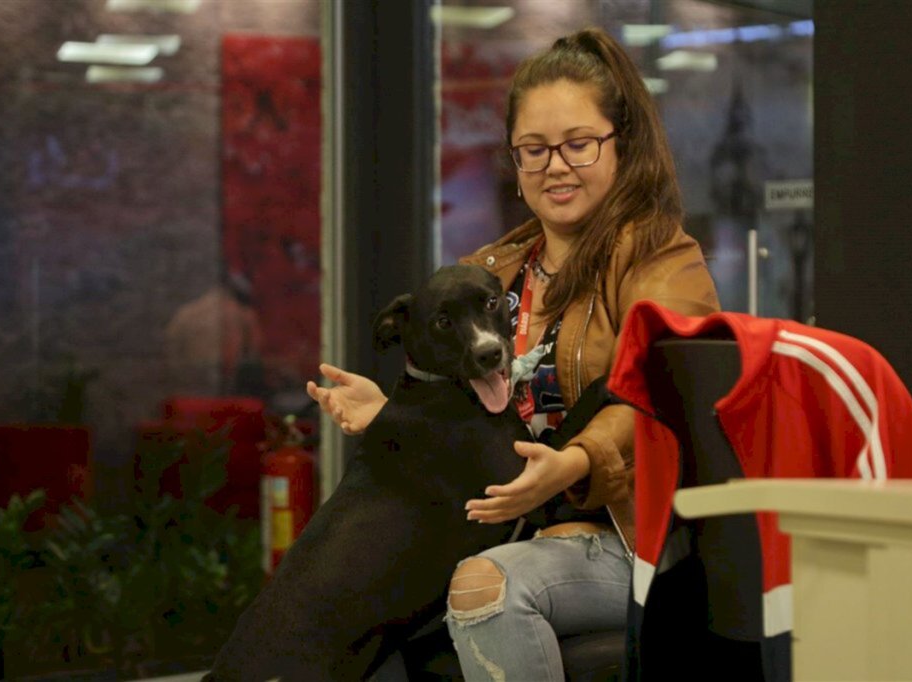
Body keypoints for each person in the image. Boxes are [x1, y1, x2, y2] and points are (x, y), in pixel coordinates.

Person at [307, 26, 719, 681]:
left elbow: (656, 399)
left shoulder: (661, 261)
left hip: (630, 537)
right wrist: (392, 413)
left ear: (623, 144)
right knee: (345, 614)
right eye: (534, 149)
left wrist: (576, 462)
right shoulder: (488, 274)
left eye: (578, 144)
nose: (555, 165)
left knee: (485, 586)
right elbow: (465, 424)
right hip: (509, 532)